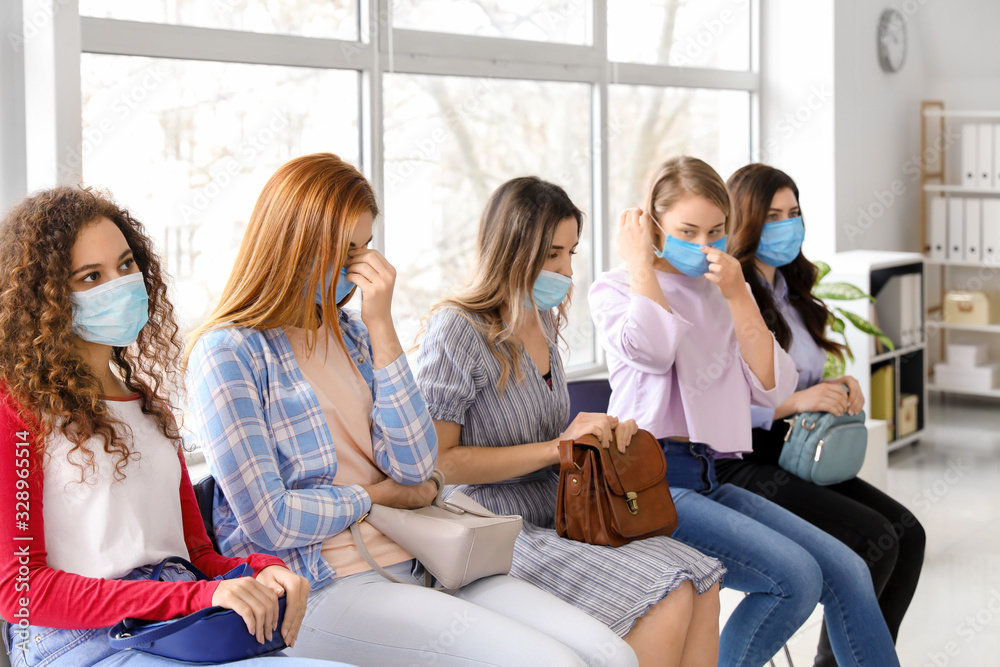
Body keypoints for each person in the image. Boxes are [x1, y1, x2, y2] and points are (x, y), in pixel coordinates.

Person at [184, 153, 638, 666]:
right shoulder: (228, 354)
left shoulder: (355, 335)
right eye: (343, 249)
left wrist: (381, 327)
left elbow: (417, 467)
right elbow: (272, 521)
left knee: (612, 655)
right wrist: (375, 496)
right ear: (293, 244)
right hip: (324, 584)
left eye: (365, 246)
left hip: (426, 557)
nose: (359, 265)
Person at [0, 187, 340, 667]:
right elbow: (22, 592)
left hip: (170, 625)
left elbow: (197, 553)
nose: (118, 284)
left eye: (125, 265)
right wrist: (192, 599)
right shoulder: (14, 411)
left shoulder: (149, 408)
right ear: (46, 298)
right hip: (79, 643)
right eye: (90, 276)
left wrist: (261, 569)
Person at [589, 156, 901, 667]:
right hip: (647, 486)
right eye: (687, 231)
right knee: (795, 580)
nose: (704, 245)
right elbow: (651, 350)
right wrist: (641, 265)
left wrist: (737, 297)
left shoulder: (721, 291)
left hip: (707, 475)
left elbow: (772, 385)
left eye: (716, 231)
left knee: (848, 570)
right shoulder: (618, 287)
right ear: (653, 224)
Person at [416, 176, 726, 667]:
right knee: (668, 595)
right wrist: (558, 447)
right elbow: (439, 464)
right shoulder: (458, 327)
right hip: (491, 525)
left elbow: (559, 440)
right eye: (551, 255)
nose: (563, 270)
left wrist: (601, 437)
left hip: (561, 509)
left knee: (702, 581)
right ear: (510, 251)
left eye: (570, 253)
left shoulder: (543, 319)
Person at [718, 162, 925, 666]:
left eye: (794, 213)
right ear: (744, 222)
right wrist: (793, 403)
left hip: (799, 450)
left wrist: (834, 388)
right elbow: (714, 406)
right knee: (873, 539)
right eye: (772, 216)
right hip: (748, 461)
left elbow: (802, 379)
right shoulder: (728, 296)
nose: (788, 225)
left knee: (907, 533)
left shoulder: (791, 291)